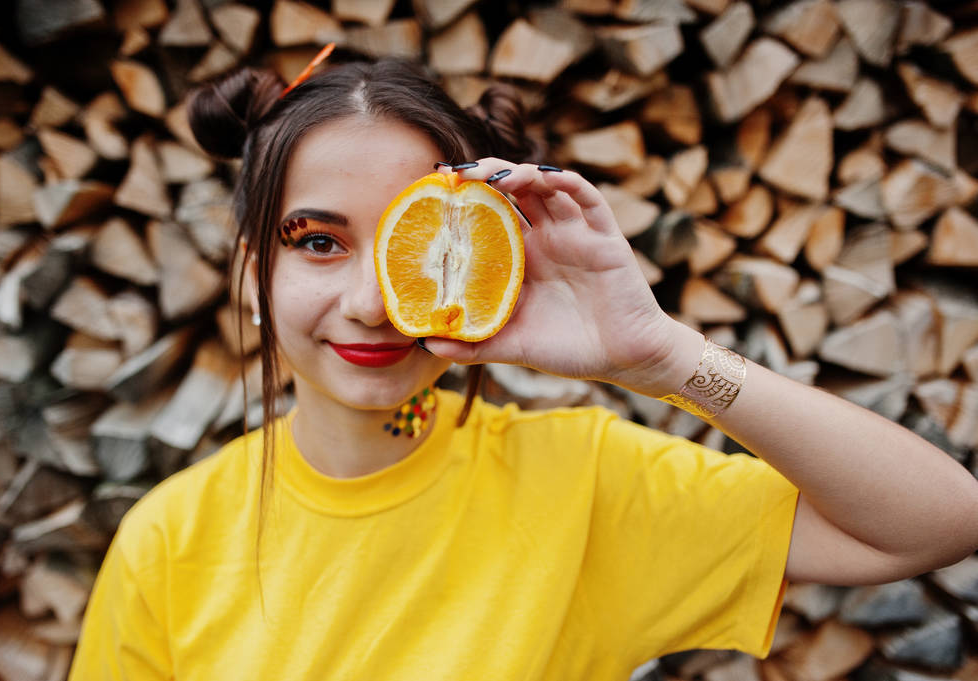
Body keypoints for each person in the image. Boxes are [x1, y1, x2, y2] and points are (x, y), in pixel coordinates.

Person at [68, 54, 978, 681]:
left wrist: (663, 358)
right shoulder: (168, 543)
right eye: (316, 241)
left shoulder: (583, 483)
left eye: (413, 243)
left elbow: (937, 521)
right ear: (249, 271)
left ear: (482, 255)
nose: (373, 302)